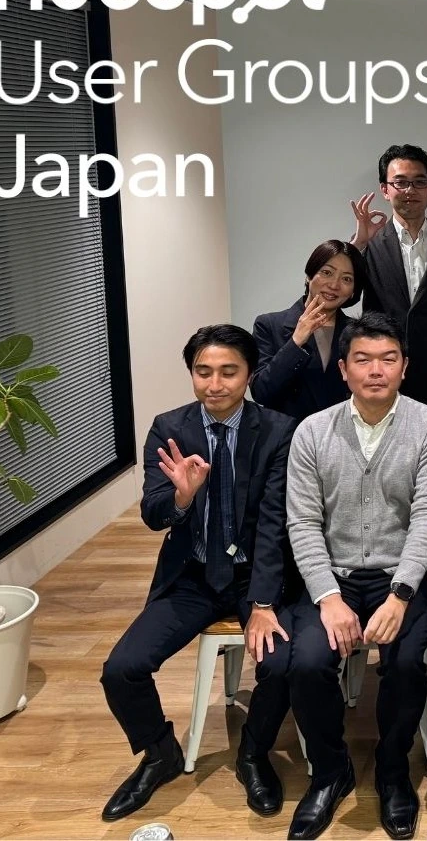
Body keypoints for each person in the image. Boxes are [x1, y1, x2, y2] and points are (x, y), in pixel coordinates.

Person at [99, 325, 297, 823]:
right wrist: (181, 498)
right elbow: (153, 514)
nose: (215, 384)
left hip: (256, 577)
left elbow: (275, 524)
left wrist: (264, 602)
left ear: (249, 374)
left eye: (229, 372)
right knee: (122, 668)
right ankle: (159, 753)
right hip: (192, 576)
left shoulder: (278, 430)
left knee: (282, 664)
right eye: (203, 372)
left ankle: (253, 753)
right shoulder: (169, 428)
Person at [281, 313, 427, 840]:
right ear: (343, 369)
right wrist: (328, 597)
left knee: (404, 663)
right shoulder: (312, 431)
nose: (376, 370)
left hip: (404, 575)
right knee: (307, 662)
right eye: (363, 359)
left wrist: (400, 595)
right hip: (331, 575)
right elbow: (302, 522)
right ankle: (330, 770)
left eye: (387, 359)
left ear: (405, 367)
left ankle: (393, 767)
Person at [349, 144, 427, 421]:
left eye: (419, 182)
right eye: (400, 182)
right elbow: (347, 296)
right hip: (381, 374)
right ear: (385, 189)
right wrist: (357, 245)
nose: (410, 190)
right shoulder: (369, 245)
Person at [253, 240, 367, 423]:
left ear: (353, 290)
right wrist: (296, 342)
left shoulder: (359, 332)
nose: (334, 285)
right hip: (289, 435)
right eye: (327, 273)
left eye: (346, 279)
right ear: (309, 275)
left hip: (344, 432)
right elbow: (262, 392)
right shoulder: (269, 325)